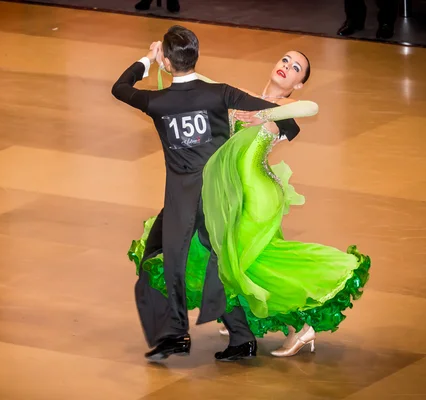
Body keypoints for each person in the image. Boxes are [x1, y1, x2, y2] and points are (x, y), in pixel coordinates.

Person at [128, 50, 371, 358]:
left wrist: (265, 115)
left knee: (241, 261)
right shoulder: (242, 96)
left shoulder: (284, 106)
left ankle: (289, 325)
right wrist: (165, 59)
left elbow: (312, 107)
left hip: (256, 195)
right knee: (237, 261)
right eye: (284, 60)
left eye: (296, 68)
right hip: (228, 191)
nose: (286, 66)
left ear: (298, 84)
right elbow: (202, 81)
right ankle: (260, 328)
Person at [112, 25, 301, 362]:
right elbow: (290, 123)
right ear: (196, 57)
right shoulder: (220, 94)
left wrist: (147, 59)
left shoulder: (157, 102)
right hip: (217, 198)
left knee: (166, 259)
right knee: (216, 264)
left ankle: (176, 334)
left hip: (183, 199)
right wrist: (263, 121)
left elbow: (120, 88)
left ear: (168, 62)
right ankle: (239, 338)